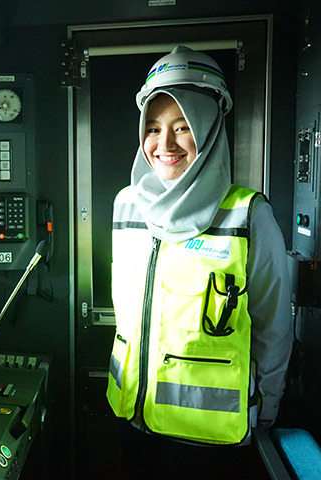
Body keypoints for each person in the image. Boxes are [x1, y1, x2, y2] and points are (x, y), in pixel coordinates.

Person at [106, 45, 292, 478]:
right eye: (153, 128)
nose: (163, 144)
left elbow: (273, 329)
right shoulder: (126, 206)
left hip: (211, 441)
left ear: (209, 128)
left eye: (182, 126)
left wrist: (265, 413)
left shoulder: (249, 216)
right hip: (133, 419)